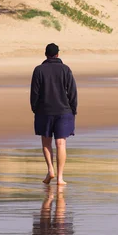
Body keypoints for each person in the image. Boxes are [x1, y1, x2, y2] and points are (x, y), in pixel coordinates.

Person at [30, 43, 78, 185]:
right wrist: (73, 109)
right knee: (61, 143)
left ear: (46, 54)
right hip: (64, 111)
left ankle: (50, 170)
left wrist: (35, 109)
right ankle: (60, 177)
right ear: (58, 54)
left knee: (46, 142)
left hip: (44, 111)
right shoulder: (65, 69)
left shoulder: (38, 70)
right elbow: (72, 92)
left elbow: (34, 93)